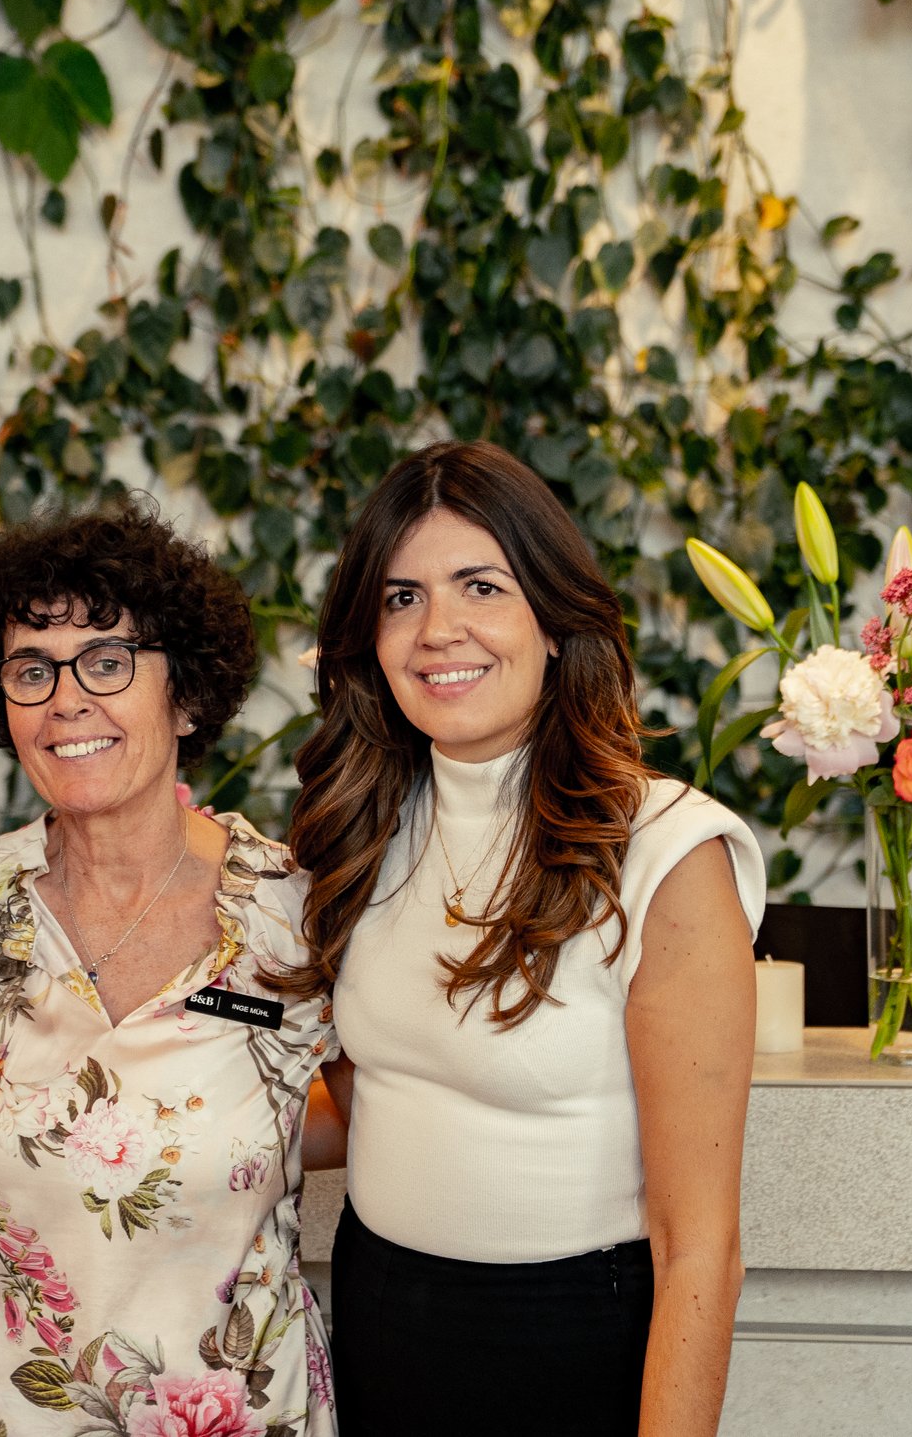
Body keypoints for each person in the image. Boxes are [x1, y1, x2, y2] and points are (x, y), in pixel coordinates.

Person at [284, 440, 765, 1436]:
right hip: (376, 1322)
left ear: (553, 619)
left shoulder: (667, 850)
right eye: (400, 597)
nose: (437, 630)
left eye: (479, 586)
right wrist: (149, 1134)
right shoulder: (358, 829)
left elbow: (699, 1246)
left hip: (570, 1346)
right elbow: (375, 1096)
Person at [0, 496, 342, 1437]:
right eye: (33, 668)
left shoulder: (299, 914)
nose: (68, 698)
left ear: (185, 694)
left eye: (108, 660)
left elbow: (381, 1110)